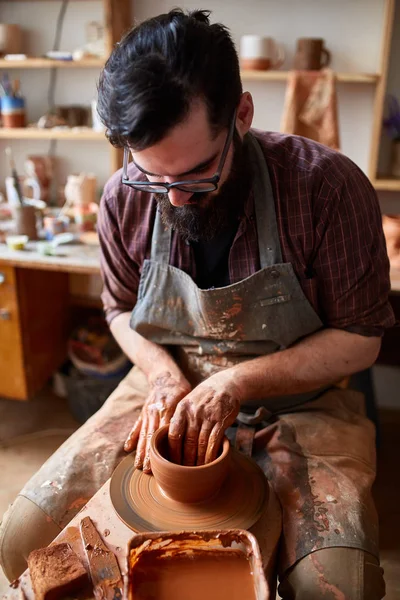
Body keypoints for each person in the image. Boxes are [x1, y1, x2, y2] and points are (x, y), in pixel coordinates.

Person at [0, 9, 395, 598]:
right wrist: (162, 375)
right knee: (22, 543)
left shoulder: (328, 187)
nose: (175, 197)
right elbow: (117, 311)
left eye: (197, 172)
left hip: (302, 400)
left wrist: (233, 384)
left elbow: (362, 338)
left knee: (335, 586)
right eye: (152, 178)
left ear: (242, 114)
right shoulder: (121, 198)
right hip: (167, 384)